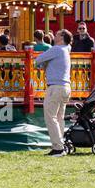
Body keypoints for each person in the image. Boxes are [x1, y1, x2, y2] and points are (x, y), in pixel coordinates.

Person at [35, 29, 73, 157]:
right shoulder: (66, 50)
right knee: (59, 118)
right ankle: (60, 145)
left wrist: (44, 63)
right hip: (65, 86)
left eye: (56, 34)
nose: (54, 36)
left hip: (55, 87)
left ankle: (58, 147)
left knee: (50, 116)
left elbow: (38, 59)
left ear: (62, 37)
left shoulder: (56, 49)